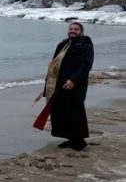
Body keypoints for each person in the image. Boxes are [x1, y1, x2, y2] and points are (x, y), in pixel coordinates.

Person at [39, 22, 94, 151]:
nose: (73, 31)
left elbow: (86, 65)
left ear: (81, 31)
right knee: (62, 112)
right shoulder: (63, 44)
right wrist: (48, 83)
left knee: (75, 112)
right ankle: (70, 139)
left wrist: (74, 80)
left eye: (76, 29)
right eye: (71, 29)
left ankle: (79, 141)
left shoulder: (86, 45)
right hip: (59, 84)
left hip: (75, 84)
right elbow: (53, 65)